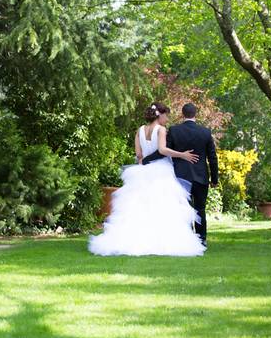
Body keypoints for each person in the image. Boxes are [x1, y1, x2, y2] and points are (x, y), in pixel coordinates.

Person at [88, 102, 206, 257]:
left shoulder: (140, 130)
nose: (167, 119)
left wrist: (143, 159)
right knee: (162, 206)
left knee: (139, 206)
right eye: (166, 115)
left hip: (142, 172)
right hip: (161, 171)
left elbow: (138, 154)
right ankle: (161, 240)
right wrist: (182, 154)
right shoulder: (161, 130)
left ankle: (136, 239)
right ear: (160, 115)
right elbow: (162, 150)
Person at [142, 103, 219, 246]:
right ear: (195, 114)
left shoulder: (175, 130)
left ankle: (188, 239)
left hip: (181, 176)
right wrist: (214, 179)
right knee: (200, 208)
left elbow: (162, 151)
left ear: (183, 114)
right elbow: (212, 158)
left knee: (185, 208)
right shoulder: (205, 132)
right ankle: (202, 240)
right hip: (201, 177)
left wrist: (146, 160)